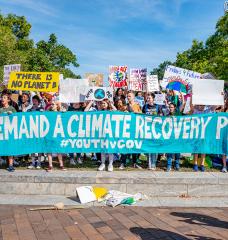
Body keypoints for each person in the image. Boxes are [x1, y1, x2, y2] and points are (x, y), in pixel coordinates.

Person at [85, 99, 117, 171]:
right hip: (101, 133)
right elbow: (85, 111)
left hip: (109, 133)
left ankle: (110, 164)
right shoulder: (98, 112)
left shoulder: (111, 111)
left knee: (110, 149)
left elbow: (117, 111)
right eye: (102, 103)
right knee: (102, 149)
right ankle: (102, 164)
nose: (103, 104)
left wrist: (111, 104)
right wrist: (91, 102)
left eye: (104, 103)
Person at [47, 101, 67, 172]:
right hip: (49, 133)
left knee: (58, 149)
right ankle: (50, 165)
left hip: (57, 133)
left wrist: (64, 113)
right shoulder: (48, 113)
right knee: (49, 150)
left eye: (53, 104)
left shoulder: (60, 113)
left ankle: (61, 165)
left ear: (56, 106)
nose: (51, 105)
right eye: (51, 104)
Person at [0, 93, 16, 172]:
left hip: (10, 132)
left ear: (8, 100)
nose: (2, 99)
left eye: (4, 97)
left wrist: (12, 115)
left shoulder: (12, 108)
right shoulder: (0, 110)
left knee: (10, 148)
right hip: (2, 132)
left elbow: (18, 118)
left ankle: (10, 165)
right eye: (2, 97)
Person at [142, 93, 159, 170]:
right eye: (147, 98)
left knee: (154, 147)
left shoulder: (157, 106)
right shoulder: (145, 107)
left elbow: (161, 117)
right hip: (147, 129)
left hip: (155, 130)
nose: (148, 99)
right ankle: (149, 163)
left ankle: (153, 163)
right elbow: (142, 117)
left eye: (150, 98)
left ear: (153, 99)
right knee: (148, 146)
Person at [126, 91, 142, 169]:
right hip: (127, 127)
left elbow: (141, 114)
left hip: (135, 127)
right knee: (127, 144)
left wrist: (137, 112)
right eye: (127, 96)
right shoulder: (125, 106)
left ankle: (135, 161)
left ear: (133, 97)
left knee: (135, 144)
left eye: (129, 96)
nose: (128, 97)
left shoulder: (137, 105)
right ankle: (126, 159)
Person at [166, 103, 181, 171]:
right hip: (170, 136)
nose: (170, 108)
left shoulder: (178, 114)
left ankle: (177, 164)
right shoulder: (167, 115)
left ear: (174, 108)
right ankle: (169, 165)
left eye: (172, 107)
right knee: (169, 151)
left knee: (177, 151)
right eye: (169, 107)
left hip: (177, 136)